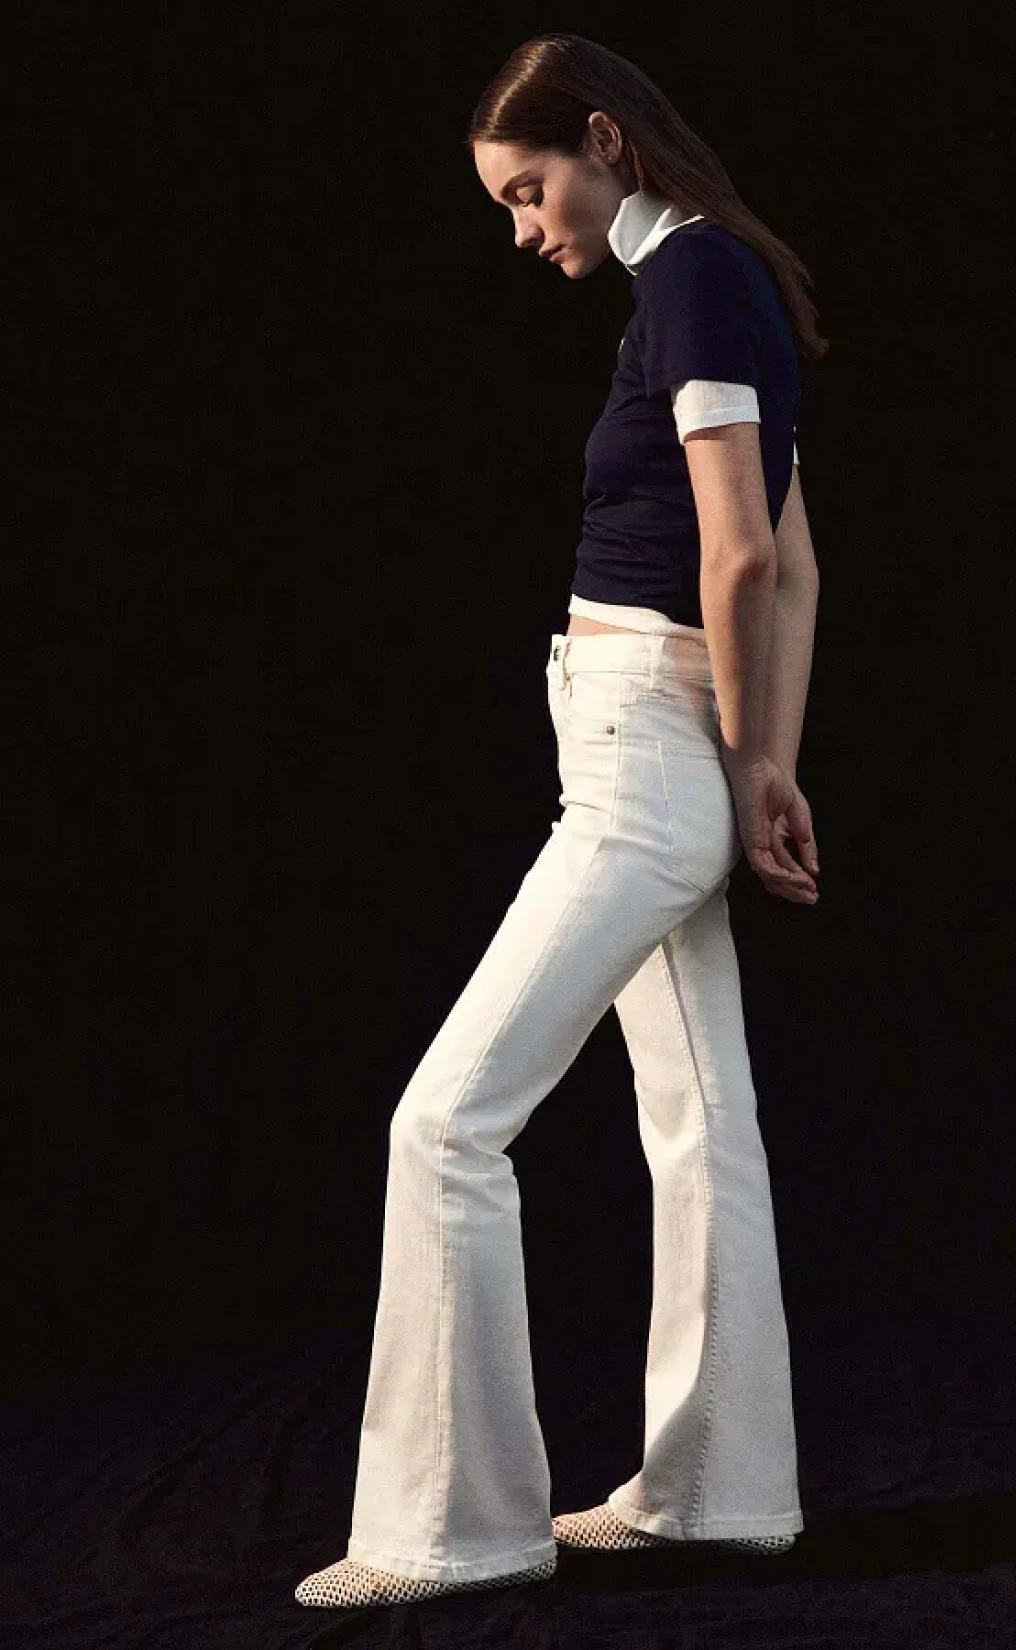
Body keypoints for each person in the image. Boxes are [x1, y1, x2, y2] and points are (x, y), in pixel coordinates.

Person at [296, 31, 826, 1611]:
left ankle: (449, 1527)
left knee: (446, 1123)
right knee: (703, 1121)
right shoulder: (715, 281)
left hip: (645, 752)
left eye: (529, 191)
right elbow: (795, 566)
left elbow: (747, 558)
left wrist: (746, 769)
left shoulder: (696, 278)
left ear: (604, 140)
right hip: (673, 745)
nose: (525, 230)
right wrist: (769, 765)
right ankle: (723, 1491)